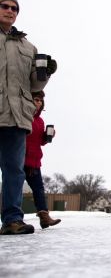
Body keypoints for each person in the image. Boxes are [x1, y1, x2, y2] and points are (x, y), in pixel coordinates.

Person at [0, 0, 57, 235]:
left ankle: (12, 220)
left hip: (17, 116)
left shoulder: (27, 46)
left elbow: (34, 85)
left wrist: (46, 73)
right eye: (5, 6)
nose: (10, 10)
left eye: (14, 8)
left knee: (14, 170)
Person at [24, 91, 61, 229]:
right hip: (20, 160)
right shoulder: (24, 116)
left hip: (34, 162)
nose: (38, 102)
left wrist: (47, 137)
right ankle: (13, 218)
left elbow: (40, 141)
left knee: (39, 189)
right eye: (36, 99)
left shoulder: (40, 121)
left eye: (40, 101)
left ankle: (44, 217)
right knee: (14, 188)